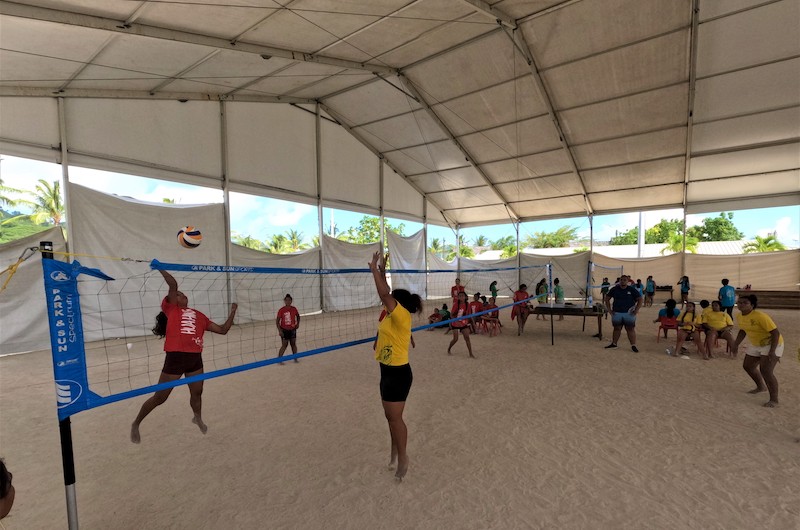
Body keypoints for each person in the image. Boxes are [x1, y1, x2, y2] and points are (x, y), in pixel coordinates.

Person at [131, 269, 238, 444]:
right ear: (172, 301)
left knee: (197, 393)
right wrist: (159, 267)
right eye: (178, 295)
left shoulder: (199, 315)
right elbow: (172, 284)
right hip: (176, 357)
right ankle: (136, 423)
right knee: (160, 398)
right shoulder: (171, 309)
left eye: (182, 294)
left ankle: (197, 417)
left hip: (195, 358)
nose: (181, 295)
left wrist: (233, 311)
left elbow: (223, 330)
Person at [369, 251, 423, 480]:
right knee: (389, 417)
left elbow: (384, 293)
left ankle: (404, 458)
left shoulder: (401, 315)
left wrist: (373, 269)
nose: (387, 301)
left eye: (391, 300)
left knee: (395, 418)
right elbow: (385, 292)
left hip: (398, 374)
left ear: (397, 304)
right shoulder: (390, 315)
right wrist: (382, 270)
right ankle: (394, 453)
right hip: (387, 370)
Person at [732, 295, 784, 408]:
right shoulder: (739, 316)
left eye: (745, 303)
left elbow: (775, 333)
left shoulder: (760, 316)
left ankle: (774, 400)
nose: (741, 304)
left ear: (752, 305)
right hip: (756, 344)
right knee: (748, 366)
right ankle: (761, 387)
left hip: (772, 344)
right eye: (739, 302)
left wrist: (772, 351)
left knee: (766, 371)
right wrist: (736, 344)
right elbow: (743, 330)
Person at [604, 275, 642, 352]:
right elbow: (607, 299)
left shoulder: (631, 289)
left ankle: (633, 345)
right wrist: (609, 310)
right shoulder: (614, 289)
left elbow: (640, 299)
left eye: (625, 280)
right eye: (621, 280)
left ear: (628, 281)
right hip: (617, 313)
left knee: (630, 329)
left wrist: (636, 310)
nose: (623, 281)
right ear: (619, 280)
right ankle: (614, 344)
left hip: (629, 314)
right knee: (617, 328)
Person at [447, 291, 475, 358]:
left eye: (462, 296)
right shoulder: (456, 304)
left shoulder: (467, 304)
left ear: (465, 297)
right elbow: (451, 314)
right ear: (458, 297)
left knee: (467, 337)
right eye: (460, 296)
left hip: (463, 323)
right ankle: (449, 349)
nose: (461, 297)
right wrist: (455, 320)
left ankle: (470, 354)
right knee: (455, 339)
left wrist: (472, 322)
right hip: (455, 322)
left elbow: (469, 315)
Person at [276, 293, 300, 364]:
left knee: (293, 344)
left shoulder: (294, 309)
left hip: (292, 329)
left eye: (289, 300)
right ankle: (279, 360)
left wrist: (297, 324)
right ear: (284, 301)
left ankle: (295, 358)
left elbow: (298, 316)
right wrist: (280, 331)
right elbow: (277, 322)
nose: (288, 301)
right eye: (286, 300)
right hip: (284, 330)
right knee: (284, 345)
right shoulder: (281, 310)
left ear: (291, 301)